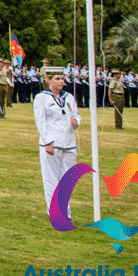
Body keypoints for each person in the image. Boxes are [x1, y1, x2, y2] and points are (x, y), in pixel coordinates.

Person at [34, 73, 81, 217]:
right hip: (52, 144)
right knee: (52, 180)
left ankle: (66, 212)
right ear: (48, 80)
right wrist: (48, 142)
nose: (61, 82)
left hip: (69, 144)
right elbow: (40, 122)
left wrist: (76, 121)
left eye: (62, 79)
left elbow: (76, 114)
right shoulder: (41, 98)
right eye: (57, 79)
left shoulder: (69, 97)